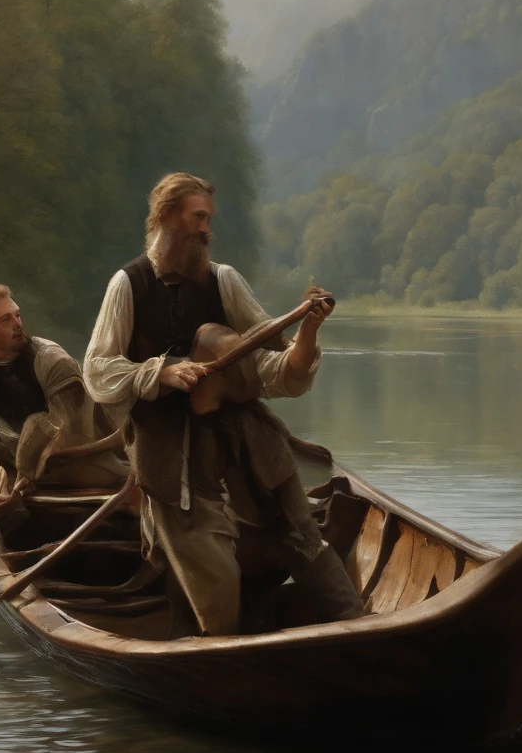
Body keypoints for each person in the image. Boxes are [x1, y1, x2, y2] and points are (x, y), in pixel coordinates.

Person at [83, 171, 360, 635]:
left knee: (303, 535)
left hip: (245, 440)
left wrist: (308, 333)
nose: (206, 230)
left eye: (209, 220)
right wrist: (161, 372)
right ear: (167, 215)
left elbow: (274, 371)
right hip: (170, 455)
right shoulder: (127, 285)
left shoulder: (224, 281)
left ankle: (356, 625)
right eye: (198, 218)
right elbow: (97, 370)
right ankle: (221, 646)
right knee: (212, 572)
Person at [0, 284, 127, 508]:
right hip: (17, 482)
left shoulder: (53, 360)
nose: (17, 324)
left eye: (17, 315)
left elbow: (74, 432)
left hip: (83, 471)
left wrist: (30, 470)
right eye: (5, 320)